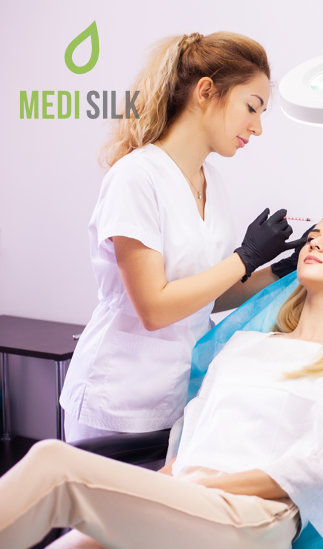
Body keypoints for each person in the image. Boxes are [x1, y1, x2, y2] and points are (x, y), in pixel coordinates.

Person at [0, 212, 323, 549]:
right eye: (313, 236)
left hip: (256, 514)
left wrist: (212, 483)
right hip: (189, 497)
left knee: (55, 463)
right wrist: (155, 485)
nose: (315, 243)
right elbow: (192, 435)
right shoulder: (245, 345)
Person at [60, 31, 308, 443]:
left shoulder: (212, 182)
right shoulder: (136, 177)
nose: (258, 127)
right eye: (252, 107)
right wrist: (245, 257)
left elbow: (204, 296)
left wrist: (279, 269)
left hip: (178, 401)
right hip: (116, 403)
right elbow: (154, 308)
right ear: (206, 91)